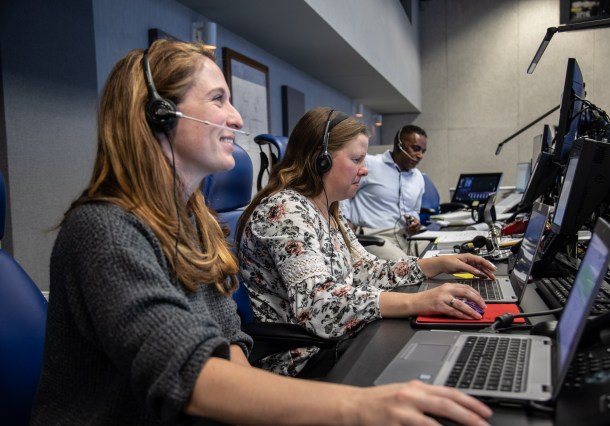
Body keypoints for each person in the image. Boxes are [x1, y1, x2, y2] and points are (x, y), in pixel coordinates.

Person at [29, 40, 493, 426]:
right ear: (159, 114)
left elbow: (228, 336)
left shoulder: (191, 222)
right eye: (217, 99)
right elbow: (186, 371)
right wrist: (359, 406)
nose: (237, 119)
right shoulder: (105, 230)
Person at [236, 107, 497, 378]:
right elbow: (318, 306)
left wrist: (437, 264)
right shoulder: (285, 211)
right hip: (303, 359)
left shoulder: (326, 208)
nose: (364, 171)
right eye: (357, 159)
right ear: (320, 160)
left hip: (338, 340)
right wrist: (418, 302)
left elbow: (366, 270)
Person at [341, 124, 429, 260]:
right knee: (404, 265)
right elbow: (343, 194)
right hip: (375, 236)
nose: (420, 156)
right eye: (416, 149)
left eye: (423, 151)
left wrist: (414, 220)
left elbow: (413, 210)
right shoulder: (370, 164)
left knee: (437, 251)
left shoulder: (418, 177)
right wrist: (345, 222)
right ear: (399, 145)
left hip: (406, 236)